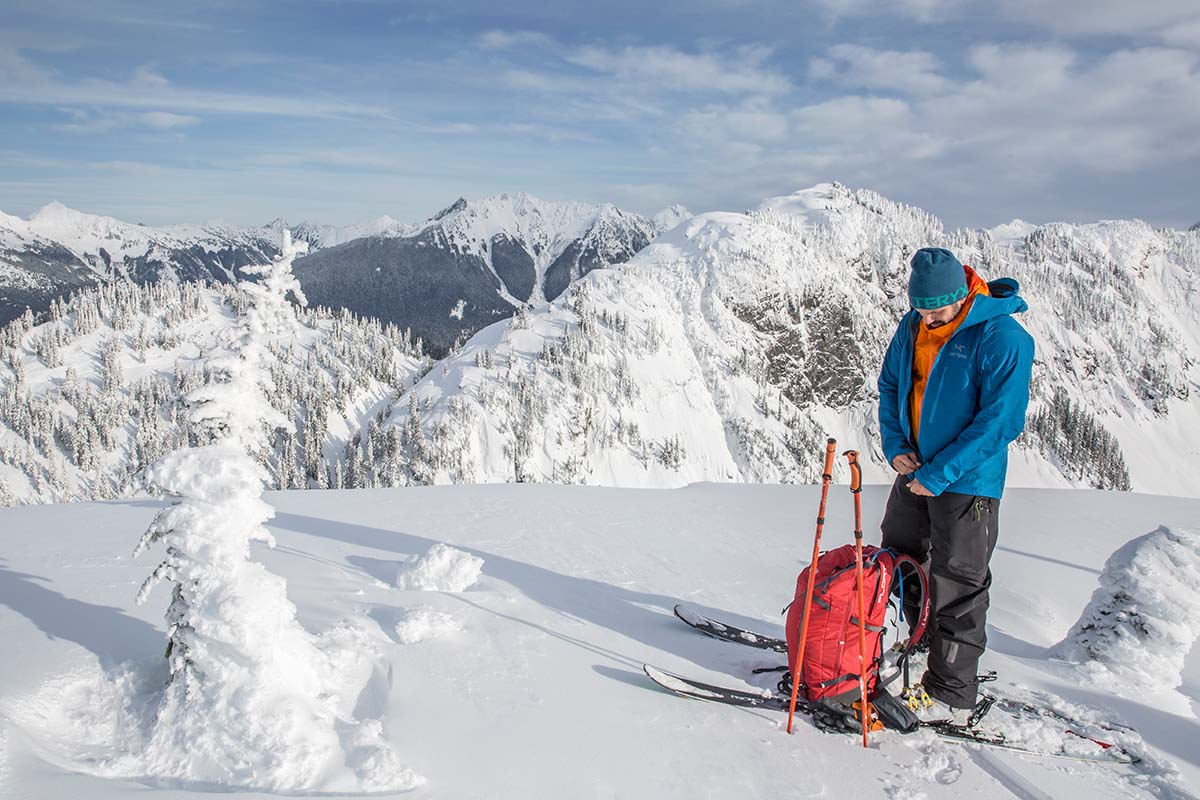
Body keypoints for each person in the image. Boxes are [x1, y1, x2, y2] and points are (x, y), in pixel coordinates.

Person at [876, 246, 1034, 724]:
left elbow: (1000, 422)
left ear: (963, 296)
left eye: (937, 310)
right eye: (921, 309)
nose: (929, 318)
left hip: (968, 481)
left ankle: (951, 690)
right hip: (916, 467)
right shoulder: (912, 326)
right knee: (900, 553)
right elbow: (889, 385)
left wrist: (937, 474)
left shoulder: (1002, 336)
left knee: (960, 579)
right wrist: (895, 444)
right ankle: (921, 643)